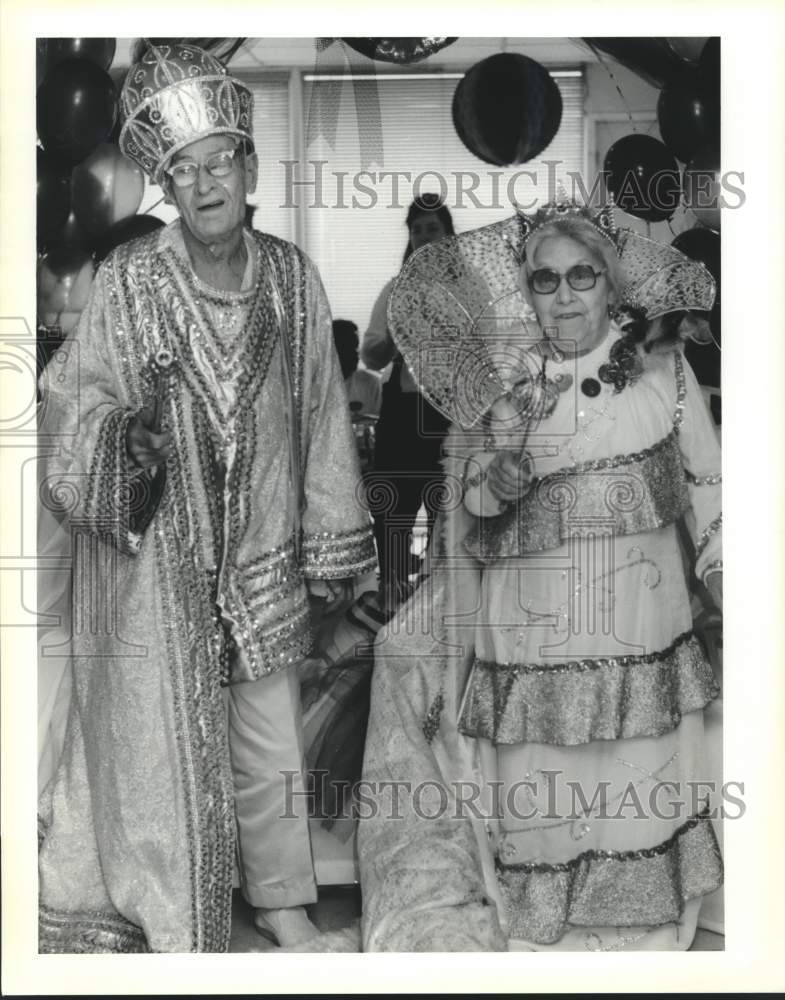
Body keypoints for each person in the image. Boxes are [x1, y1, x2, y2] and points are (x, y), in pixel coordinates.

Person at [36, 42, 376, 953]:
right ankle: (168, 891)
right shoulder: (133, 277)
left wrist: (330, 544)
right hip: (161, 556)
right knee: (161, 734)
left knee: (269, 739)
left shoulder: (293, 279)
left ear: (249, 167)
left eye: (217, 163)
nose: (203, 184)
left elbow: (321, 416)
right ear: (168, 188)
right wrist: (123, 441)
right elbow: (77, 393)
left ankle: (280, 902)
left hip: (262, 543)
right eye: (182, 172)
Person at [358, 197, 723, 951]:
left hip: (640, 620)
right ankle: (546, 934)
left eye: (581, 276)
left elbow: (708, 484)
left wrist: (729, 576)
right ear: (525, 289)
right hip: (532, 628)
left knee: (632, 768)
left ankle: (640, 931)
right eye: (545, 280)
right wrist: (496, 476)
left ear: (610, 280)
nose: (563, 296)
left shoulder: (664, 368)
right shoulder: (504, 380)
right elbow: (470, 504)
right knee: (546, 778)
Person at [360, 195, 455, 609]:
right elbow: (370, 355)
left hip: (451, 414)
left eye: (431, 228)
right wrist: (395, 338)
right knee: (393, 513)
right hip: (403, 409)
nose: (423, 237)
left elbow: (488, 351)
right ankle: (393, 596)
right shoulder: (396, 289)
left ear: (448, 234)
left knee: (447, 511)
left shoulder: (467, 287)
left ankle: (442, 601)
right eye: (416, 230)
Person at [332, 319, 382, 418]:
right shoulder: (314, 386)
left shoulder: (372, 383)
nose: (357, 353)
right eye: (350, 346)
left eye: (357, 346)